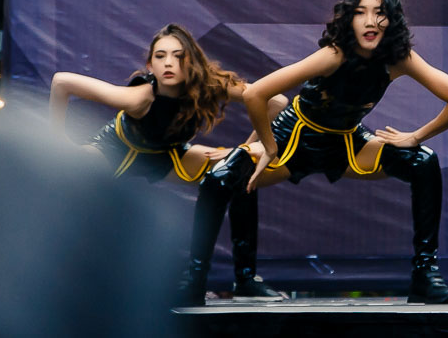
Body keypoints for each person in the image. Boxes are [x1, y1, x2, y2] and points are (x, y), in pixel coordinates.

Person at [177, 0, 448, 306]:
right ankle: (205, 280)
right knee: (221, 179)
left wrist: (416, 136)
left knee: (422, 160)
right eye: (360, 12)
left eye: (379, 12)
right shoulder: (333, 55)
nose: (370, 21)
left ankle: (424, 276)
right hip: (294, 136)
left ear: (391, 19)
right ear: (349, 18)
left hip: (346, 142)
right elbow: (256, 94)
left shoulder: (398, 58)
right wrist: (269, 145)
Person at [49, 23, 287, 300]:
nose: (169, 63)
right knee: (67, 180)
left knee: (240, 171)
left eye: (178, 55)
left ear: (191, 62)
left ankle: (245, 280)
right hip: (118, 150)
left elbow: (276, 101)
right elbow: (61, 82)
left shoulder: (206, 86)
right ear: (150, 65)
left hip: (167, 154)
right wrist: (58, 142)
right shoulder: (138, 97)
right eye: (160, 56)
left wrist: (244, 149)